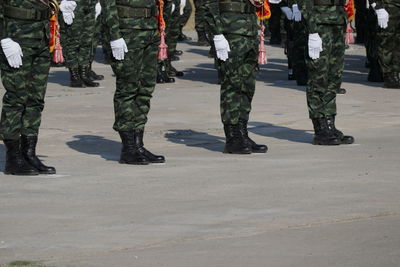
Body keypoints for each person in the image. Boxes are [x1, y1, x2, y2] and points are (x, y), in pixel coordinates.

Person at [100, 0, 165, 165]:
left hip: (150, 30)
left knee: (145, 89)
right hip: (127, 32)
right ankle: (128, 147)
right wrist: (114, 36)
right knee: (128, 88)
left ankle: (138, 145)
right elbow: (108, 5)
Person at [0, 0, 57, 175]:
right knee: (16, 98)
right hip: (16, 39)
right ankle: (13, 157)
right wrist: (3, 37)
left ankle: (28, 152)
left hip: (41, 37)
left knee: (35, 99)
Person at [207, 0, 268, 154]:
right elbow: (208, 5)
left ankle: (242, 133)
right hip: (230, 32)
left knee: (247, 86)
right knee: (232, 85)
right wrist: (217, 34)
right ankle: (232, 137)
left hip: (249, 30)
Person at [303, 0, 354, 145]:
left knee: (334, 75)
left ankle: (330, 122)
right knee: (318, 75)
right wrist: (312, 30)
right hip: (319, 24)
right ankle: (320, 127)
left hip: (337, 20)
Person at [60, 0, 100, 88]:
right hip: (74, 6)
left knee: (87, 41)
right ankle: (74, 76)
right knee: (73, 41)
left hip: (90, 5)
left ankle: (84, 74)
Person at [370, 0, 400, 89]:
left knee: (397, 42)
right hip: (389, 6)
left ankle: (395, 73)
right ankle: (390, 75)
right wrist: (378, 7)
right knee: (387, 41)